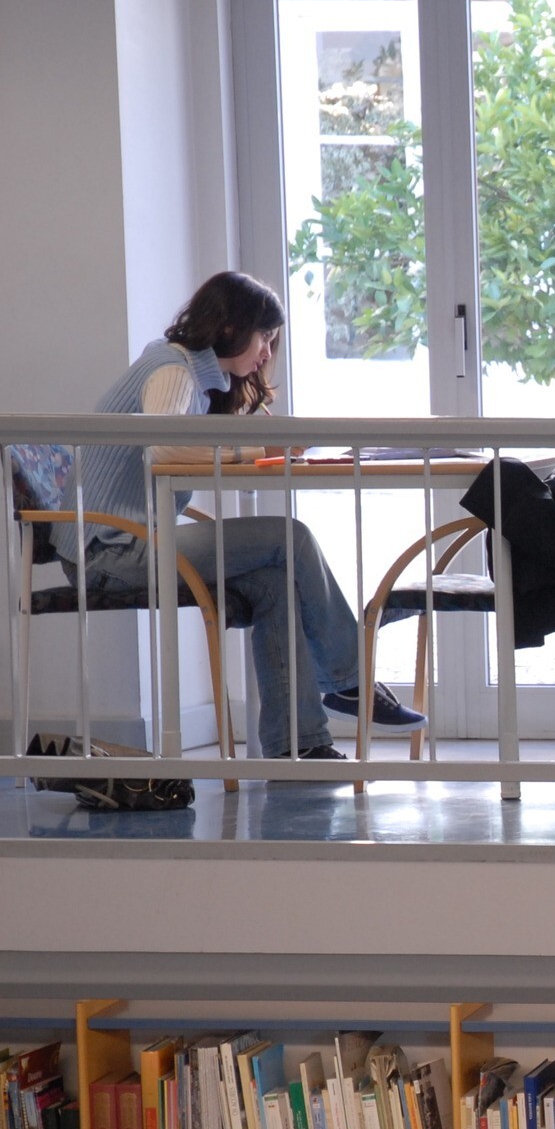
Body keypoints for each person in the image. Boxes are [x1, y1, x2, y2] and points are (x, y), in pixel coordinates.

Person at [79, 270, 424, 762]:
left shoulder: (198, 376)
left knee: (278, 582)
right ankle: (351, 680)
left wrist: (258, 449)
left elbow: (187, 452)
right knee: (291, 537)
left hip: (134, 540)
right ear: (229, 327)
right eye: (264, 336)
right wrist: (258, 450)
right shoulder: (173, 369)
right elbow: (164, 450)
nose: (267, 352)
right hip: (111, 550)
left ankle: (299, 745)